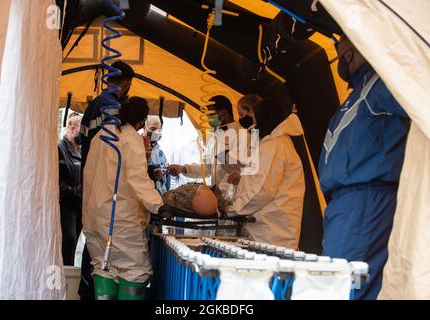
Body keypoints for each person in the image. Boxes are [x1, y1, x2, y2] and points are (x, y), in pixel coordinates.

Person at [318, 34, 410, 300]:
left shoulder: (382, 83)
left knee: (342, 290)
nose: (336, 50)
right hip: (345, 205)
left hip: (366, 201)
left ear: (352, 50)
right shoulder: (359, 91)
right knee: (343, 286)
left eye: (340, 44)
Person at [82, 97, 163, 300]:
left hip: (95, 218)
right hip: (121, 220)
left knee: (103, 267)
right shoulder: (131, 139)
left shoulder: (101, 135)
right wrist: (159, 206)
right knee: (134, 270)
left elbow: (88, 176)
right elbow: (138, 179)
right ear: (142, 120)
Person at [78, 60, 134, 300]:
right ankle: (92, 292)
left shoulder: (94, 105)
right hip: (103, 181)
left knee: (92, 236)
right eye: (127, 85)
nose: (127, 90)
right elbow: (114, 148)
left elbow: (83, 141)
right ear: (121, 84)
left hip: (90, 178)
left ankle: (87, 291)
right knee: (101, 241)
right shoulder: (110, 106)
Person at [226, 99, 305, 249]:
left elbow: (262, 191)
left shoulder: (274, 146)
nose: (254, 124)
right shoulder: (274, 143)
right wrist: (243, 180)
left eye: (255, 119)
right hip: (270, 233)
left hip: (271, 236)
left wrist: (232, 209)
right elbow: (262, 180)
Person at [168, 95, 240, 187]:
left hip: (236, 195)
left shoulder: (242, 135)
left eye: (211, 115)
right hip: (218, 193)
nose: (209, 118)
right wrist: (183, 169)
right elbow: (207, 169)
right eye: (207, 115)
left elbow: (245, 170)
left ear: (224, 113)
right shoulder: (214, 137)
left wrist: (223, 156)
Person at [58, 112, 83, 266]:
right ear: (71, 128)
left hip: (78, 207)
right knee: (68, 242)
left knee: (73, 246)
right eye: (81, 129)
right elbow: (56, 180)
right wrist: (74, 192)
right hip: (66, 206)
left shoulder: (82, 151)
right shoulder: (60, 149)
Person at [143, 116, 171, 195]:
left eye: (159, 130)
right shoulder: (137, 147)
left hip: (161, 197)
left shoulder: (160, 151)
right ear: (144, 128)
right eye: (152, 129)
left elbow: (166, 177)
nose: (156, 132)